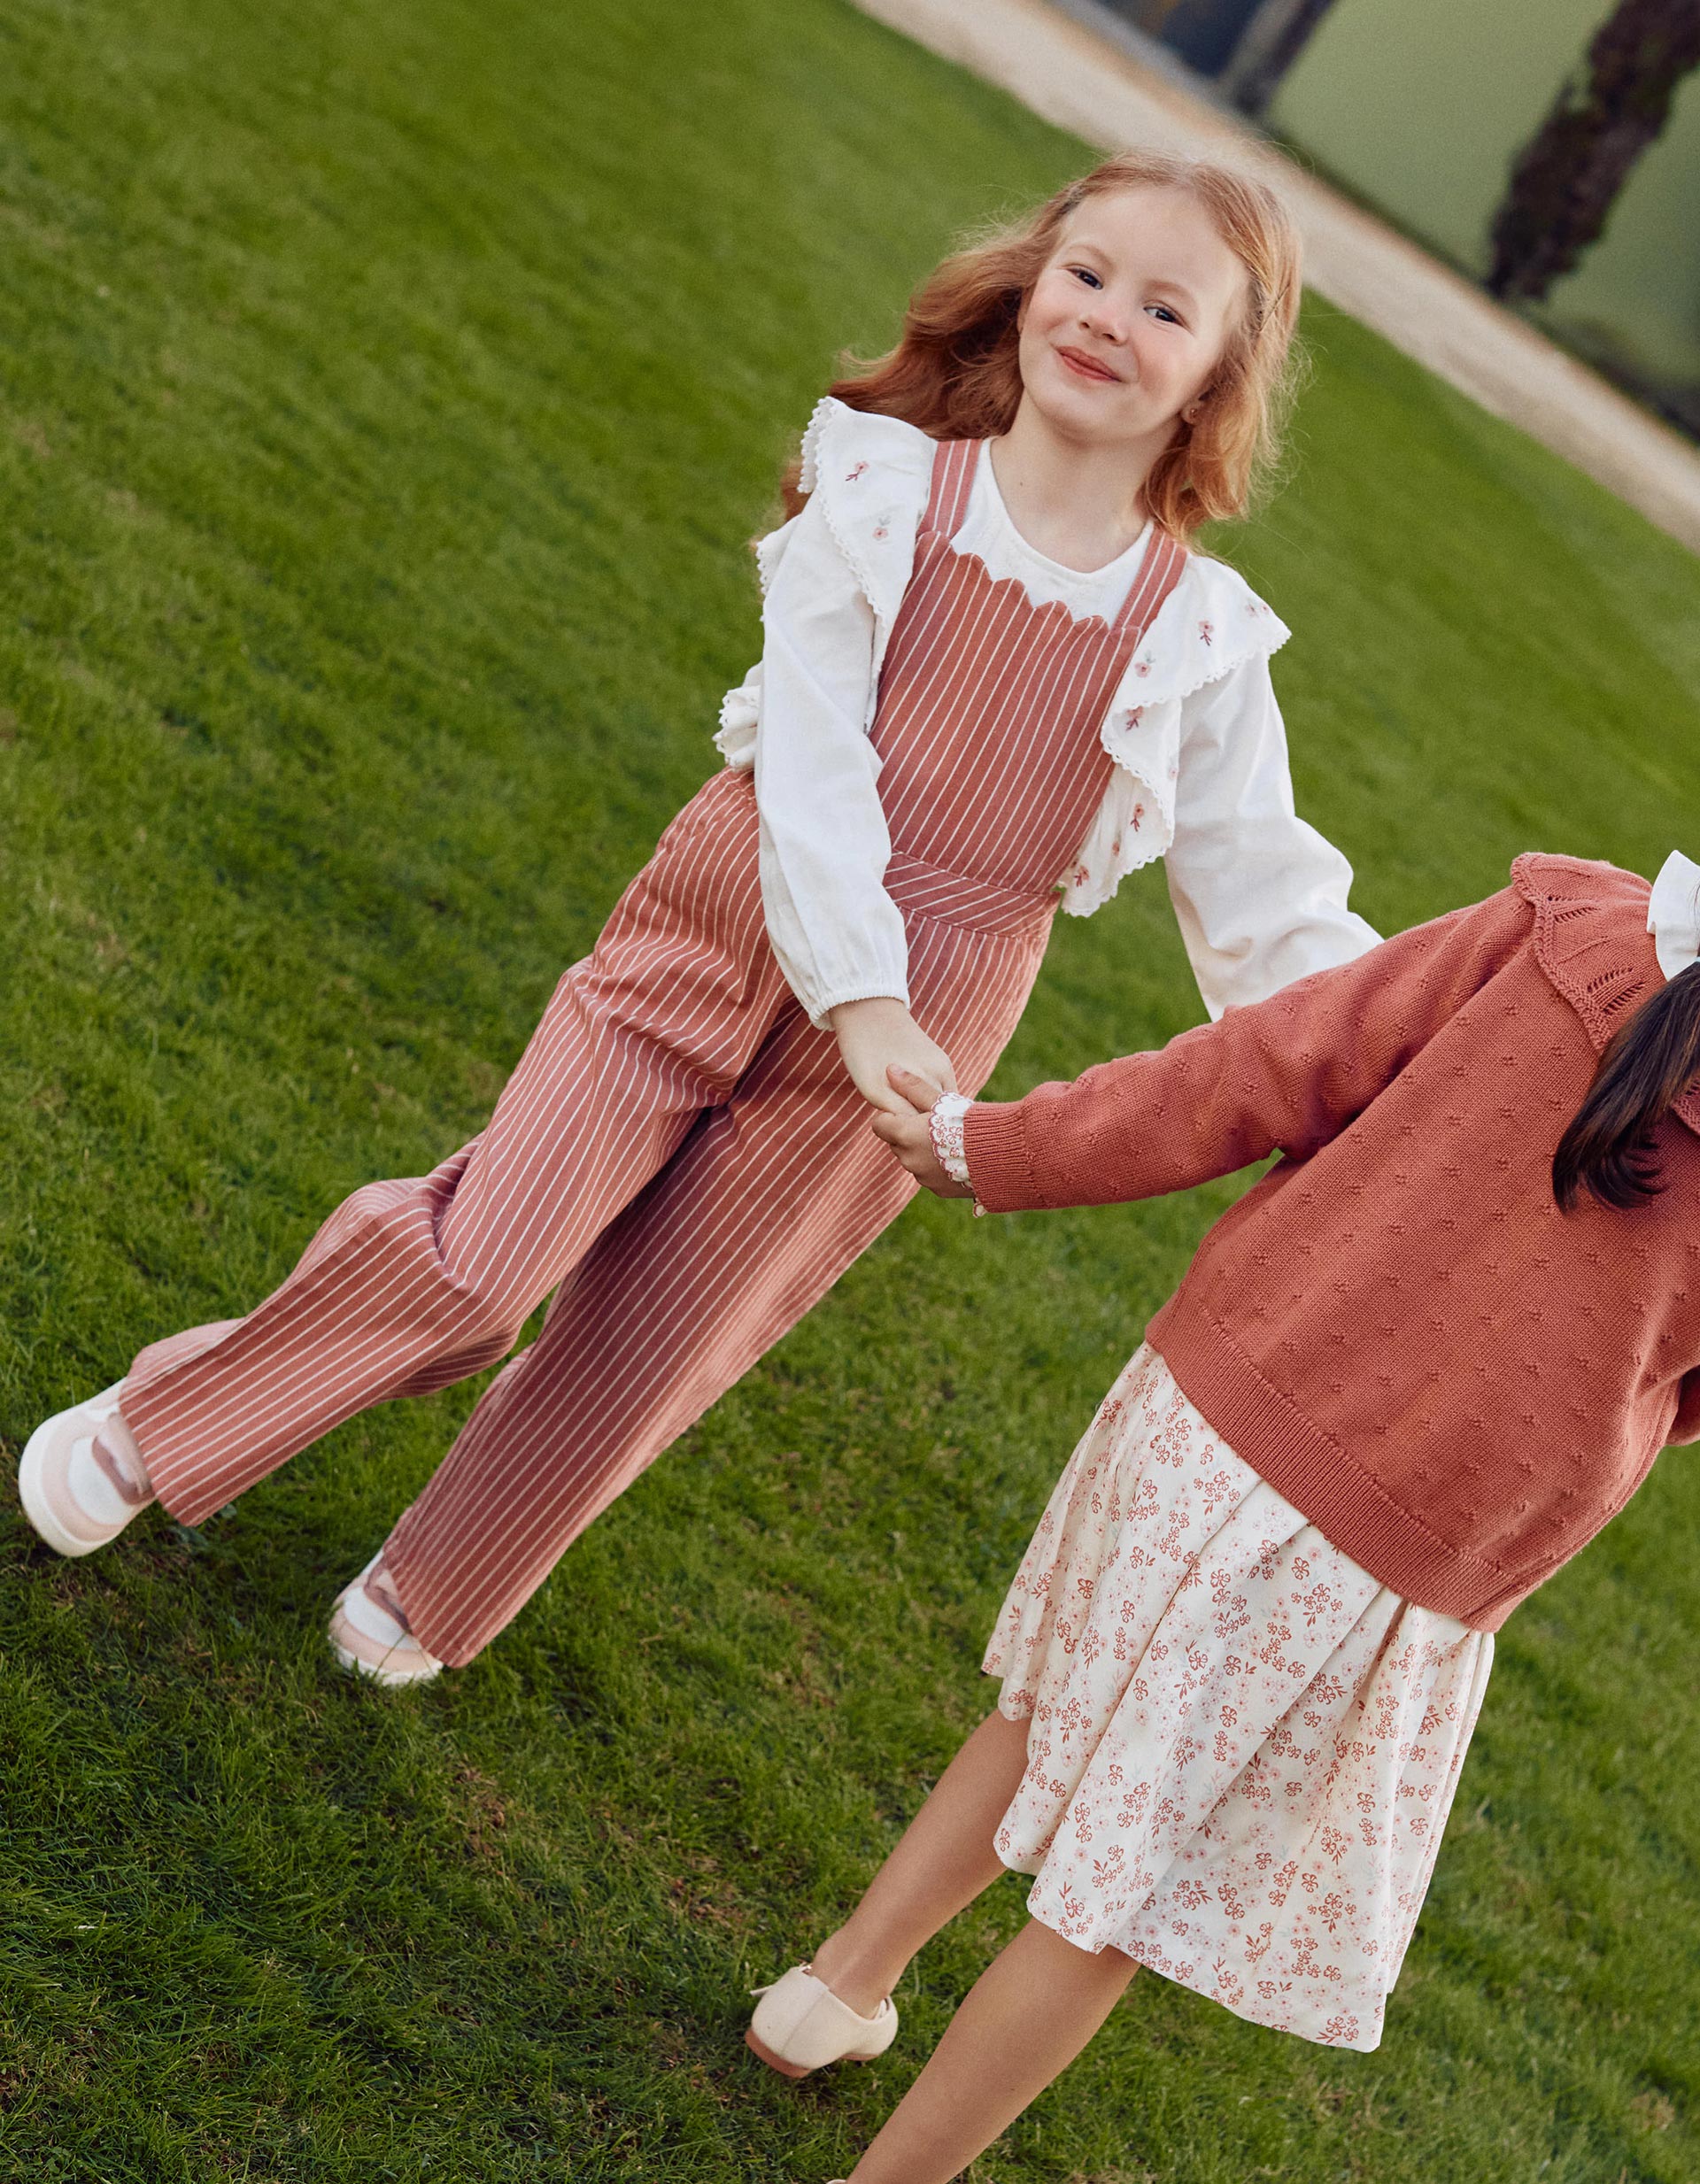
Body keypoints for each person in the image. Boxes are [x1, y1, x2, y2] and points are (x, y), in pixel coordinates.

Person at [19, 151, 1374, 1684]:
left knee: (673, 1324)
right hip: (730, 920)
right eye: (1087, 273)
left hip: (924, 1024)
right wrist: (859, 984)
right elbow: (809, 761)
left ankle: (441, 1575)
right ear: (1029, 282)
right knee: (483, 1264)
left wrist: (1394, 1059)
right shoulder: (879, 485)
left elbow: (1267, 899)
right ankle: (166, 1421)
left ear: (1217, 378)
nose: (1107, 318)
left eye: (1164, 306)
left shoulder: (1198, 640)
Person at [745, 848, 1700, 2184]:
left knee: (1049, 1716)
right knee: (1114, 1907)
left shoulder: (1565, 925)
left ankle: (832, 1992)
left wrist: (995, 1147)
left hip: (1213, 1413)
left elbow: (1262, 1067)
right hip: (1380, 1554)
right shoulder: (1563, 930)